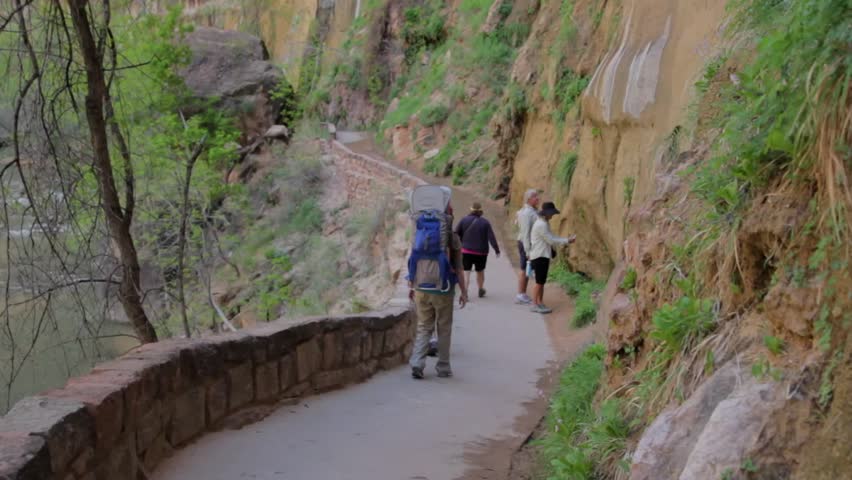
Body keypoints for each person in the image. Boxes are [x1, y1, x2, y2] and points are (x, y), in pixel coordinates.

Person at [408, 187, 468, 379]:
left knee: (424, 326)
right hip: (443, 288)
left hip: (420, 286)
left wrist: (411, 284)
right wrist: (464, 292)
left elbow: (413, 259)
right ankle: (443, 367)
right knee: (444, 328)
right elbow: (458, 268)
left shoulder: (419, 228)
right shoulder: (451, 237)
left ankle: (417, 362)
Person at [528, 201, 575, 314]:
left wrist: (565, 240)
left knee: (541, 282)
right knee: (539, 282)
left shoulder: (543, 222)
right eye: (551, 213)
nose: (552, 215)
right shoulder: (542, 224)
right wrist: (567, 240)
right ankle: (535, 304)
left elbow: (551, 237)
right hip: (540, 256)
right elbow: (551, 240)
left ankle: (540, 303)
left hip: (541, 255)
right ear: (546, 213)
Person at [455, 202, 500, 298]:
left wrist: (456, 246)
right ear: (480, 211)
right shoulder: (485, 222)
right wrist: (496, 249)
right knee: (480, 271)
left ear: (471, 210)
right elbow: (491, 237)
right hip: (481, 252)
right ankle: (480, 288)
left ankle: (465, 292)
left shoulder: (464, 220)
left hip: (466, 251)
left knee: (466, 272)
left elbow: (456, 234)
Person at [515, 188, 540, 304]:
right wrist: (528, 251)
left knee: (526, 268)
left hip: (528, 243)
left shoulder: (529, 211)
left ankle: (523, 293)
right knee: (524, 268)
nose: (537, 198)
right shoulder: (527, 213)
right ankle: (520, 294)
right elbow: (525, 233)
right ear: (529, 199)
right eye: (535, 196)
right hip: (526, 243)